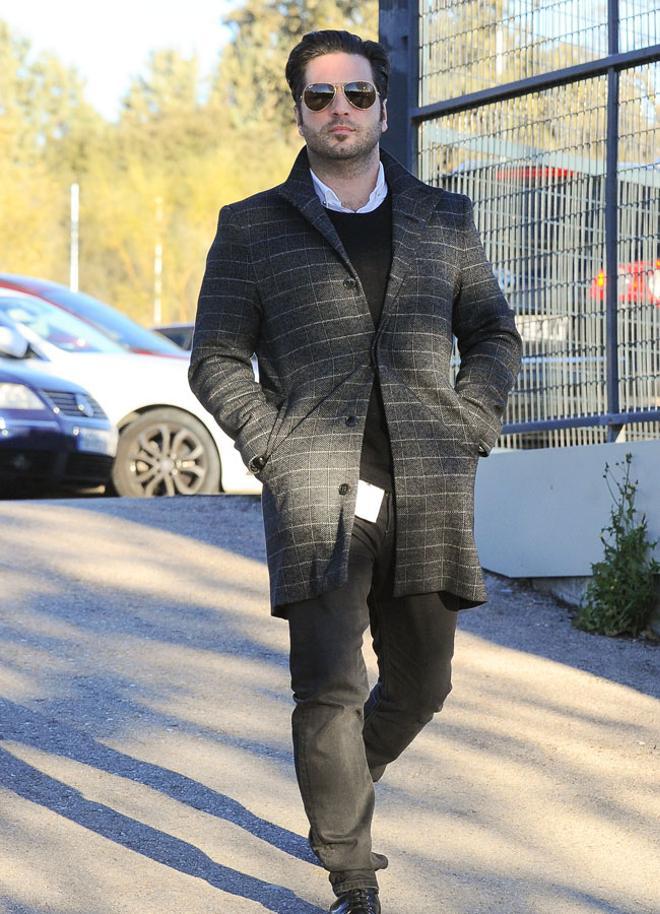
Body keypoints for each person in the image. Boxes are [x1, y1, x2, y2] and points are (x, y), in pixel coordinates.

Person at [189, 28, 522, 914]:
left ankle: (343, 788)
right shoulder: (253, 226)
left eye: (357, 95)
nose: (339, 110)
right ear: (298, 109)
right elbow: (216, 358)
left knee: (423, 682)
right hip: (315, 492)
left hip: (428, 486)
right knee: (330, 686)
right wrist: (271, 445)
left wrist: (471, 420)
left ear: (383, 105)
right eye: (319, 96)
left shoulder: (442, 217)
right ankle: (350, 871)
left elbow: (493, 331)